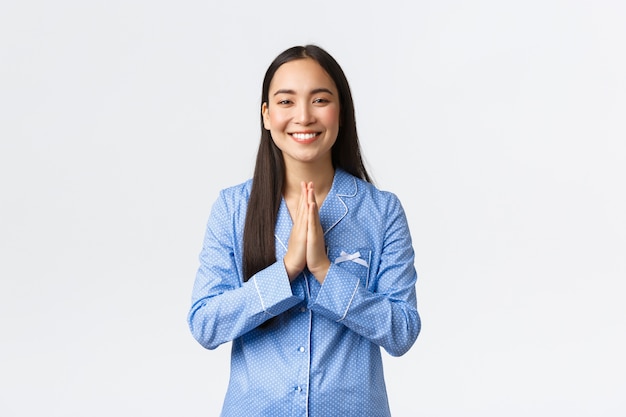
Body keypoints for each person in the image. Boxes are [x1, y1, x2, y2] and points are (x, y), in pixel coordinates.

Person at [188, 44, 421, 417]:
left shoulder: (381, 211)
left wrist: (327, 273)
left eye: (320, 100)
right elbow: (205, 324)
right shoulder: (233, 208)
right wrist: (285, 272)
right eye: (286, 101)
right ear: (266, 115)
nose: (303, 116)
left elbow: (402, 331)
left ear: (340, 112)